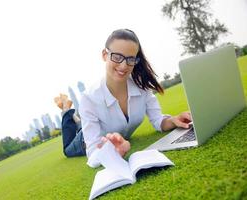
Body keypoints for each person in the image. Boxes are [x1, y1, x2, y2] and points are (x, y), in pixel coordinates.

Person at [54, 28, 192, 168]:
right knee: (67, 149)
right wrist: (112, 151)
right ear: (104, 55)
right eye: (117, 57)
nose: (124, 65)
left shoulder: (141, 87)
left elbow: (159, 121)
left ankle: (78, 121)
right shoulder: (89, 99)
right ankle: (66, 110)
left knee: (82, 123)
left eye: (130, 59)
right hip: (84, 139)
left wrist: (174, 120)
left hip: (92, 123)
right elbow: (93, 153)